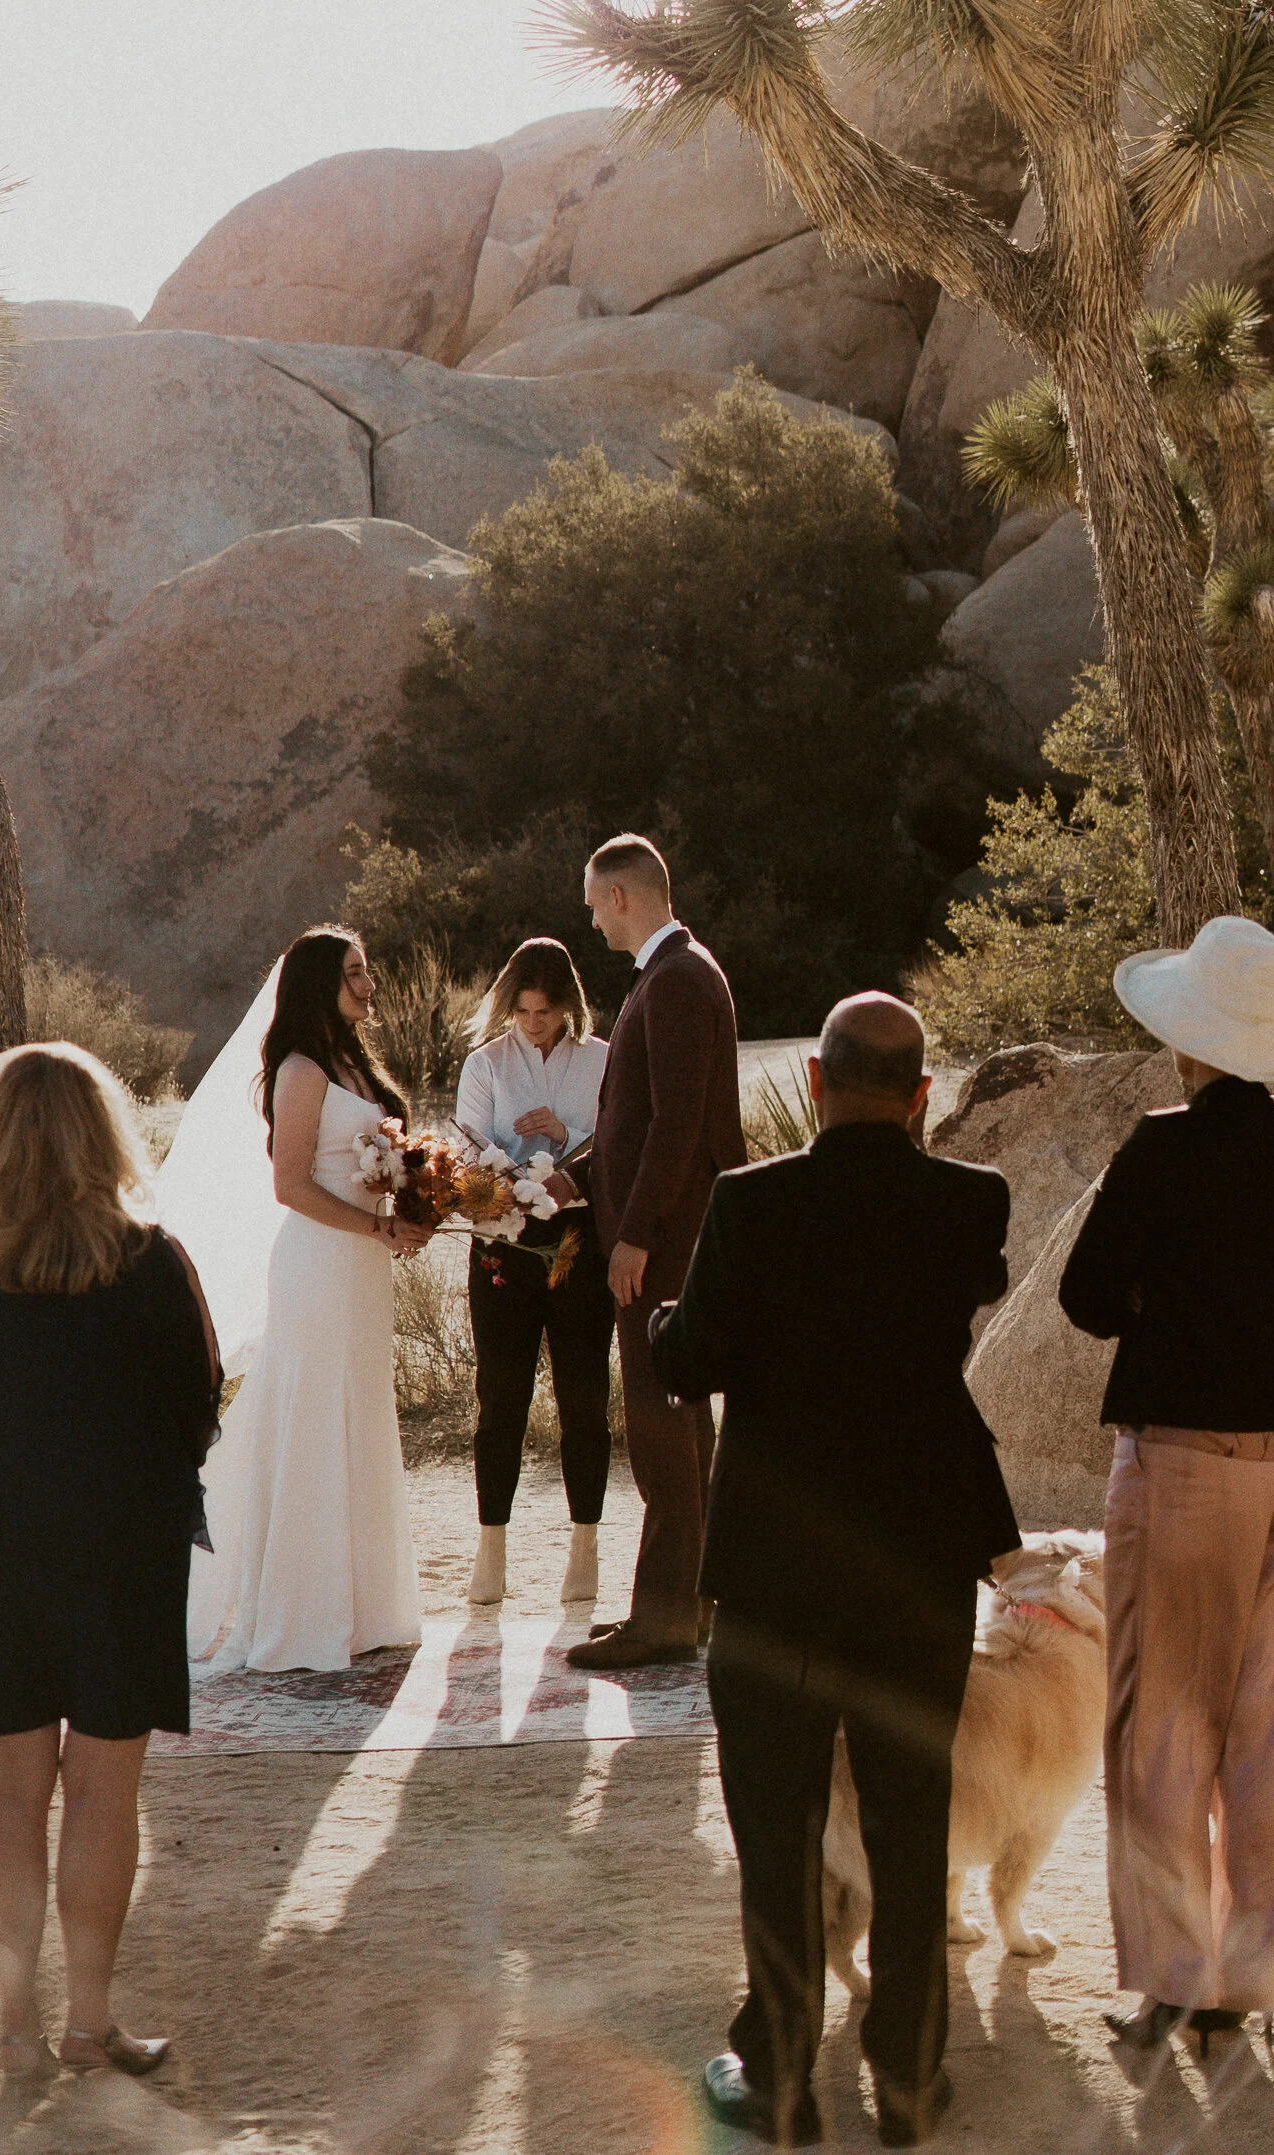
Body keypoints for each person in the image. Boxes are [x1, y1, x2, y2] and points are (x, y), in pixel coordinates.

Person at [651, 993, 1019, 2149]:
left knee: (778, 1827)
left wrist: (669, 1320)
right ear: (920, 1095)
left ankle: (782, 2081)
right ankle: (909, 2079)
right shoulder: (973, 1202)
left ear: (815, 1080)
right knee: (913, 1825)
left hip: (775, 1568)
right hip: (917, 1559)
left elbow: (692, 1361)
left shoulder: (749, 1205)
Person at [1058, 916, 1274, 2058]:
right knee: (1264, 1722)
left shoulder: (1159, 1147)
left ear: (1191, 1035)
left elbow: (1084, 1295)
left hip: (1183, 1452)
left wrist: (1151, 1303)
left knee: (1160, 1720)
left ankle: (1173, 1975)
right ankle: (1250, 1974)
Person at [0, 1042, 221, 2079]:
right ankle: (89, 2024)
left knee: (10, 1785)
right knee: (104, 1786)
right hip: (125, 1545)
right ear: (106, 1133)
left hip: (5, 1542)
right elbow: (199, 1399)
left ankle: (14, 2026)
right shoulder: (152, 1260)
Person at [176, 927, 430, 1673]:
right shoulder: (299, 1069)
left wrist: (417, 1202)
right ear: (321, 982)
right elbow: (290, 1183)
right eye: (355, 973)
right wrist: (377, 1224)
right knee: (315, 1417)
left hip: (364, 1268)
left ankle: (365, 1609)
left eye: (367, 970)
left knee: (361, 1410)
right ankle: (302, 1614)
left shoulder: (358, 1062)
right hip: (319, 1263)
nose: (369, 983)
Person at [565, 835, 743, 1671]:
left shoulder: (675, 979)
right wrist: (567, 1180)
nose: (591, 918)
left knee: (660, 1423)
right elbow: (635, 1118)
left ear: (625, 896)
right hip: (671, 1234)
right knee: (681, 1423)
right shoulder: (674, 974)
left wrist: (633, 1231)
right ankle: (692, 1601)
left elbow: (677, 1124)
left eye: (596, 901)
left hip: (665, 1242)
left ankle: (667, 1616)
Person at [453, 937, 611, 1610]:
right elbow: (465, 1145)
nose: (532, 1022)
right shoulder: (485, 1061)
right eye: (521, 1010)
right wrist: (511, 1172)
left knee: (583, 1395)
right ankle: (492, 1548)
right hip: (501, 1242)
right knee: (502, 1395)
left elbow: (617, 1139)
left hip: (579, 1237)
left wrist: (563, 1133)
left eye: (544, 1011)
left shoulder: (604, 1060)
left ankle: (586, 1545)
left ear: (567, 1006)